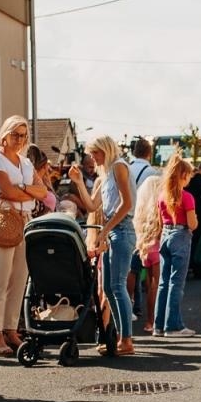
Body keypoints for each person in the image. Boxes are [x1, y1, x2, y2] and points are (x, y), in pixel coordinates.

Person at [0, 116, 42, 355]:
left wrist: (23, 190)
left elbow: (41, 191)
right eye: (16, 134)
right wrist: (25, 192)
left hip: (24, 220)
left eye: (23, 135)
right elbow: (6, 191)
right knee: (0, 278)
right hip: (3, 218)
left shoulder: (25, 163)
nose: (20, 139)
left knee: (19, 278)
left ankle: (10, 328)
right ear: (4, 135)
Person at [82, 136, 136, 356]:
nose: (93, 158)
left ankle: (126, 339)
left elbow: (127, 204)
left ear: (105, 150)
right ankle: (118, 336)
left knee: (117, 286)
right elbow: (92, 205)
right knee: (108, 288)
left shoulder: (119, 167)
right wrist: (77, 182)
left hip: (121, 228)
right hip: (113, 229)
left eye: (96, 153)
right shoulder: (105, 174)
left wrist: (105, 229)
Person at [154, 153, 198, 337]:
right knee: (176, 283)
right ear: (182, 175)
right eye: (188, 175)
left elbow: (158, 221)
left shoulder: (162, 196)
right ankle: (173, 326)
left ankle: (159, 325)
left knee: (163, 283)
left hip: (165, 235)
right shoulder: (186, 197)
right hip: (180, 235)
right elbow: (192, 224)